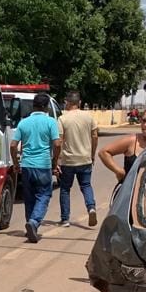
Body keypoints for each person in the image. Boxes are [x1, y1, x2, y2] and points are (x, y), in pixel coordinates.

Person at [10, 94, 62, 243]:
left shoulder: (23, 123)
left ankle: (31, 226)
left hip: (26, 165)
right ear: (46, 107)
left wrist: (16, 163)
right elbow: (57, 144)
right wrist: (54, 161)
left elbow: (13, 145)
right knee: (44, 195)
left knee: (29, 198)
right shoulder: (50, 122)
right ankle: (33, 222)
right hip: (43, 165)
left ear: (33, 106)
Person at [56, 91, 98, 229]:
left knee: (65, 189)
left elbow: (60, 140)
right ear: (79, 103)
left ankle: (65, 219)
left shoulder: (63, 119)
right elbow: (95, 136)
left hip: (68, 160)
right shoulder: (89, 117)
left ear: (67, 102)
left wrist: (57, 159)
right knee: (86, 185)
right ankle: (91, 208)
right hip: (85, 158)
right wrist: (92, 154)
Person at [99, 104, 146, 190]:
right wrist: (119, 171)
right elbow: (103, 152)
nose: (145, 125)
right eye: (143, 121)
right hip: (129, 194)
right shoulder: (132, 141)